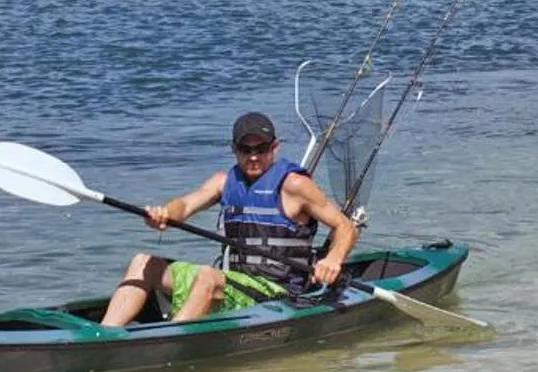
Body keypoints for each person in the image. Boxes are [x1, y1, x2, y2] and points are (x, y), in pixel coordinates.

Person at [99, 111, 358, 327]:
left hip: (276, 293)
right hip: (235, 285)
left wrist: (333, 259)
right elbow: (186, 204)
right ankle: (104, 336)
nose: (253, 156)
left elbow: (344, 226)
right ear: (234, 149)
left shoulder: (295, 185)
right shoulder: (223, 182)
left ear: (274, 148)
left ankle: (166, 344)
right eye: (245, 149)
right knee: (144, 262)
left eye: (261, 149)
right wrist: (164, 214)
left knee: (208, 277)